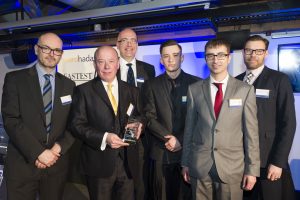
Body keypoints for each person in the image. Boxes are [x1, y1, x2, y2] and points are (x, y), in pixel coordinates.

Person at [181, 38, 260, 200]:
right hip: (200, 166)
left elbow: (252, 134)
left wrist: (252, 170)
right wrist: (185, 162)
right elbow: (189, 128)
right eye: (210, 56)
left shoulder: (245, 90)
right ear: (206, 58)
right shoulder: (194, 90)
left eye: (220, 55)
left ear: (229, 58)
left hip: (232, 168)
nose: (215, 60)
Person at [1, 32, 75, 200]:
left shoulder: (69, 85)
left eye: (57, 50)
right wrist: (39, 153)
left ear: (61, 54)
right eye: (46, 48)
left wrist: (56, 150)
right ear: (36, 49)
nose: (51, 54)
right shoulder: (15, 79)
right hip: (22, 165)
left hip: (56, 167)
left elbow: (74, 124)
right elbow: (11, 120)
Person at [70, 46, 144, 200]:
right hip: (98, 165)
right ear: (94, 64)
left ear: (118, 63)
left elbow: (138, 116)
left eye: (111, 61)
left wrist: (138, 126)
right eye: (101, 61)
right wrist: (104, 137)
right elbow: (77, 125)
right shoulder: (83, 91)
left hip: (128, 164)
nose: (106, 66)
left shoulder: (132, 90)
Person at [236, 35, 297, 200]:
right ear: (243, 52)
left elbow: (288, 123)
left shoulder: (279, 80)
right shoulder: (235, 81)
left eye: (259, 51)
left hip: (268, 160)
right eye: (249, 50)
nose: (253, 55)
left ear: (266, 54)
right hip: (240, 161)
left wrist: (278, 162)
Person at [143, 40, 199, 200]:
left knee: (186, 196)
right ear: (161, 60)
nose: (171, 60)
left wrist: (180, 140)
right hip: (161, 152)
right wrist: (169, 138)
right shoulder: (150, 85)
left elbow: (198, 118)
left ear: (182, 57)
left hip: (187, 153)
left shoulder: (196, 83)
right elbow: (149, 116)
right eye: (166, 56)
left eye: (175, 55)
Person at [116, 27, 155, 200]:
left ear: (137, 45)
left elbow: (149, 104)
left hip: (139, 135)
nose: (129, 44)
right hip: (115, 134)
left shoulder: (149, 70)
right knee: (119, 182)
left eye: (133, 40)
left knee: (139, 182)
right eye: (124, 40)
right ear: (117, 45)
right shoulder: (110, 67)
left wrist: (140, 123)